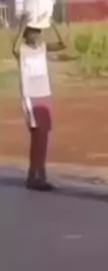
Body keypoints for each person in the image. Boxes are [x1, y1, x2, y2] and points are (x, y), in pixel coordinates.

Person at [12, 14, 66, 191]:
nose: (37, 36)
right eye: (34, 33)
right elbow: (14, 48)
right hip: (31, 97)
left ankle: (37, 176)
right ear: (26, 35)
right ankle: (36, 177)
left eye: (39, 32)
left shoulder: (42, 48)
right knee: (38, 137)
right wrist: (22, 26)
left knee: (43, 138)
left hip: (44, 95)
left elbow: (63, 44)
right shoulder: (23, 51)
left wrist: (53, 23)